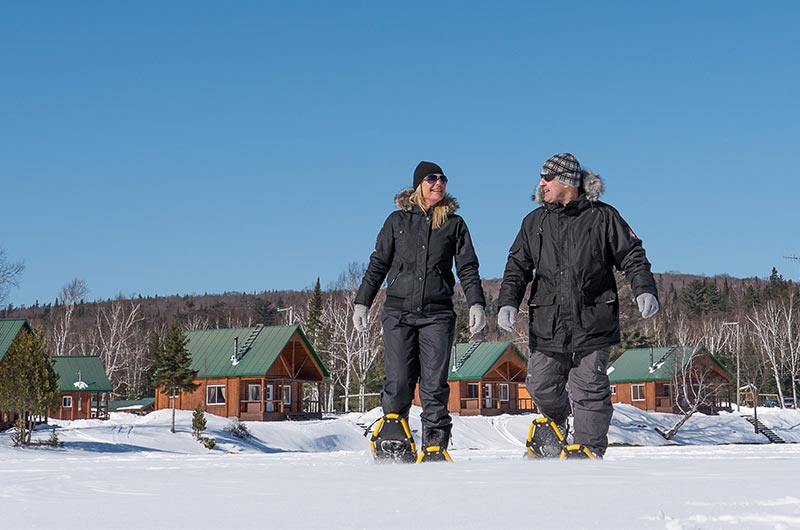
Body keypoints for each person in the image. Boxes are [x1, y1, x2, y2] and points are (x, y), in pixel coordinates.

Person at [497, 153, 659, 458]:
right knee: (540, 384)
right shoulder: (534, 222)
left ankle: (587, 450)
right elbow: (517, 266)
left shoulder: (604, 217)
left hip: (593, 318)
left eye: (547, 178)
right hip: (548, 321)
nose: (541, 184)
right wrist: (507, 301)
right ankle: (557, 422)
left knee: (589, 387)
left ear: (567, 181)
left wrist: (644, 289)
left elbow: (632, 255)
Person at [353, 160, 487, 458]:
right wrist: (363, 301)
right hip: (398, 312)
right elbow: (378, 263)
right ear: (418, 184)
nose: (438, 183)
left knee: (434, 384)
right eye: (431, 178)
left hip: (438, 314)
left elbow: (467, 267)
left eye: (442, 179)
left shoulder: (454, 224)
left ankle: (435, 442)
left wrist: (476, 301)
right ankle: (393, 437)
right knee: (399, 380)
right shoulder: (396, 221)